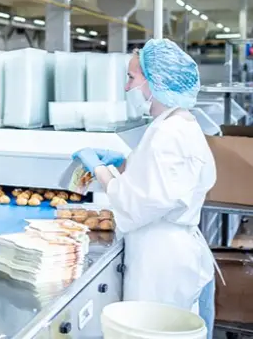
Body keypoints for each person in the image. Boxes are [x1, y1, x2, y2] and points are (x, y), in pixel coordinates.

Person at [72, 39, 216, 338]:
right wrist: (126, 162)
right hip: (170, 250)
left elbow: (135, 203)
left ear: (157, 81)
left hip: (160, 263)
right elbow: (161, 180)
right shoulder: (179, 124)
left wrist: (98, 169)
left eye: (132, 78)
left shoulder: (168, 133)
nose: (127, 88)